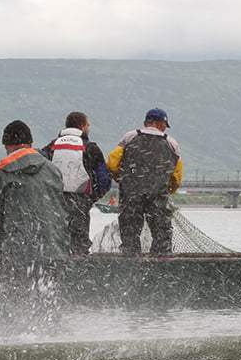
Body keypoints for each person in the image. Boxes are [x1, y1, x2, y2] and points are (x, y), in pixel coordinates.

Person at [0, 120, 67, 264]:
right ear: (30, 143)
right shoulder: (52, 169)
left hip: (17, 252)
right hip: (53, 250)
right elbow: (62, 210)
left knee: (17, 286)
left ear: (7, 146)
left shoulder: (0, 173)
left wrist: (0, 249)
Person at [107, 108, 183, 257]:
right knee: (161, 233)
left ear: (146, 122)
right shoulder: (171, 143)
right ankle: (160, 265)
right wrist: (168, 189)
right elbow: (177, 176)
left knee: (130, 232)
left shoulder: (130, 137)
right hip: (157, 195)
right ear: (162, 123)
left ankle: (130, 264)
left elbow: (112, 163)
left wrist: (121, 179)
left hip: (131, 194)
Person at [40, 111, 112, 255]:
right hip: (80, 203)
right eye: (88, 126)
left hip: (54, 202)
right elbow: (104, 179)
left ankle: (53, 273)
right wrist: (91, 198)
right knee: (79, 244)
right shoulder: (91, 147)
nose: (89, 129)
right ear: (82, 126)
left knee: (55, 242)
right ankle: (79, 273)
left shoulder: (51, 146)